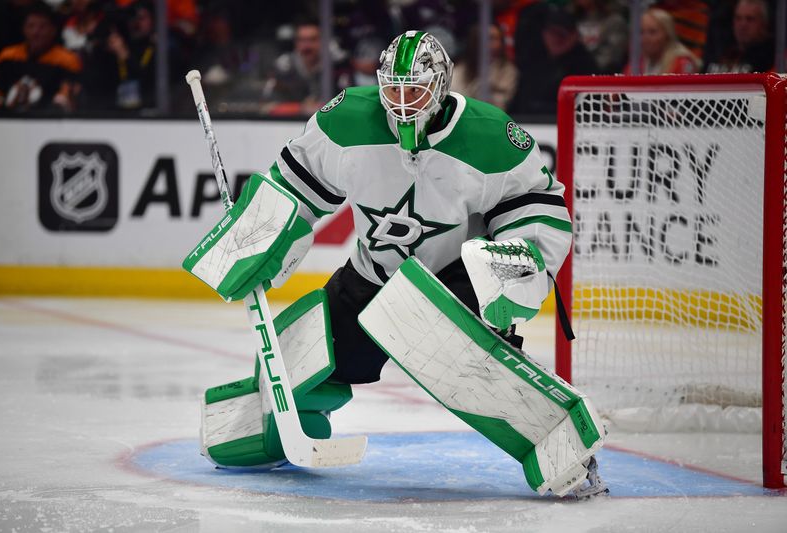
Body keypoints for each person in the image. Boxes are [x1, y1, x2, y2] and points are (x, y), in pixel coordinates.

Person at [183, 31, 607, 498]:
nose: (403, 102)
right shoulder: (346, 121)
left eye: (416, 89)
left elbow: (537, 203)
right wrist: (256, 238)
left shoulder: (489, 135)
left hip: (451, 283)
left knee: (466, 358)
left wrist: (514, 267)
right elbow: (295, 183)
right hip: (372, 276)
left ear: (441, 87)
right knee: (297, 363)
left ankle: (562, 446)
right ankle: (264, 431)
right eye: (394, 89)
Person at [0, 3, 82, 113]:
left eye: (42, 27)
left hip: (47, 120)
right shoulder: (8, 56)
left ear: (53, 30)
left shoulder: (67, 60)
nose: (36, 32)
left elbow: (68, 99)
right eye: (30, 26)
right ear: (23, 29)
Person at [510, 6, 598, 115]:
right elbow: (519, 102)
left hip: (568, 125)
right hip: (529, 124)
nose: (557, 38)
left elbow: (590, 109)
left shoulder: (586, 66)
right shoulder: (533, 61)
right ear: (544, 33)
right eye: (553, 32)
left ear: (575, 36)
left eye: (563, 34)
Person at [451, 24, 518, 111]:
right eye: (489, 38)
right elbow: (456, 99)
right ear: (475, 41)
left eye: (497, 39)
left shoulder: (507, 70)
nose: (494, 43)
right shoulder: (459, 69)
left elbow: (498, 102)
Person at [703, 0, 775, 73]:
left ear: (763, 23)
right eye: (738, 18)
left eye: (750, 19)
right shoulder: (721, 52)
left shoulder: (772, 58)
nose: (742, 25)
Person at [624, 8, 701, 75]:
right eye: (641, 32)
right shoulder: (636, 63)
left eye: (652, 32)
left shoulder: (682, 63)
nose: (645, 38)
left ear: (667, 35)